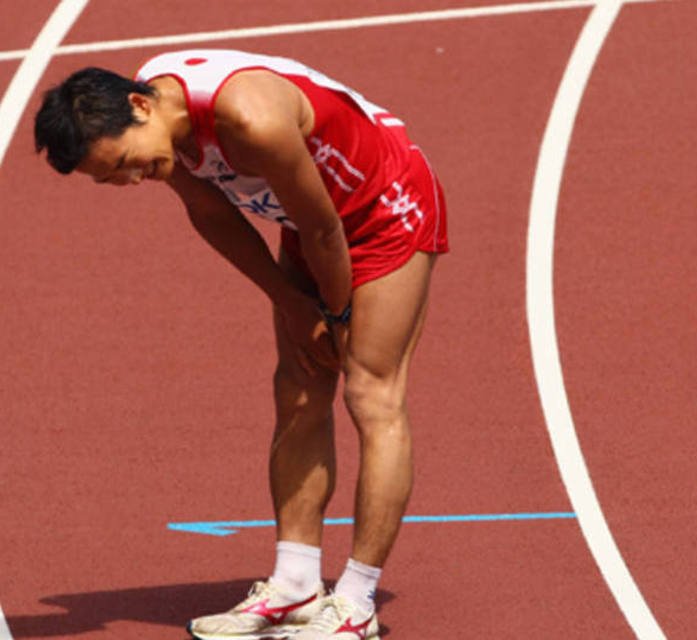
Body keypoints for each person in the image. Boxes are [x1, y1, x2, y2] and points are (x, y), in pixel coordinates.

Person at [34, 49, 448, 640]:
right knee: (299, 389)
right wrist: (290, 301)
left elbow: (327, 228)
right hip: (310, 222)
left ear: (138, 104)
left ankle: (356, 603)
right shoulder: (159, 121)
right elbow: (210, 212)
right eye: (112, 179)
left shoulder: (251, 118)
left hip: (383, 209)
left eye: (124, 164)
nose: (129, 180)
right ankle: (296, 585)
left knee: (369, 391)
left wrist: (335, 312)